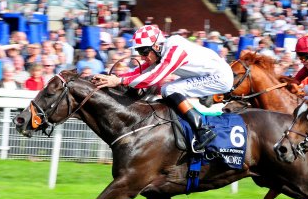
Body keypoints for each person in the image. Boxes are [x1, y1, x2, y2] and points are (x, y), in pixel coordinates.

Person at [93, 24, 233, 152]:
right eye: (140, 52)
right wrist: (113, 78)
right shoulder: (160, 51)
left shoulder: (175, 50)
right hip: (207, 74)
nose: (142, 57)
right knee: (168, 88)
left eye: (144, 52)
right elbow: (139, 71)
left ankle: (203, 130)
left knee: (169, 89)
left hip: (220, 77)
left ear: (157, 46)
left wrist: (119, 80)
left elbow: (153, 78)